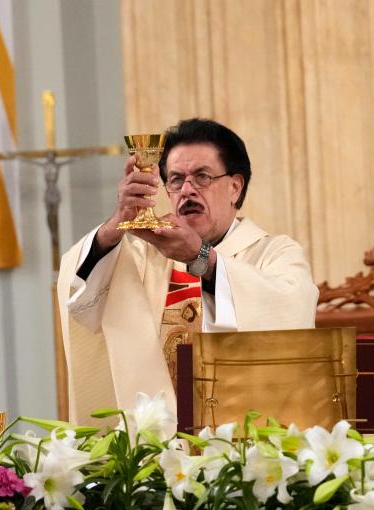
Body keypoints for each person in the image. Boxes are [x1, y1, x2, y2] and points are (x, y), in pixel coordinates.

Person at [57, 118, 318, 427]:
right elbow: (79, 296)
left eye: (202, 177)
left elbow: (292, 313)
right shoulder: (143, 259)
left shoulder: (274, 253)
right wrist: (117, 223)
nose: (187, 190)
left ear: (235, 187)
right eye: (177, 180)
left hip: (244, 444)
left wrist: (200, 257)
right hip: (155, 446)